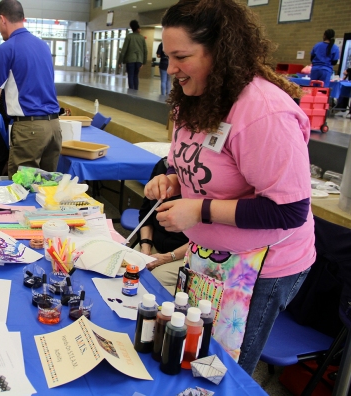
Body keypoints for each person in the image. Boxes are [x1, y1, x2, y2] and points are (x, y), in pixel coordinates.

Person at [145, 0, 313, 375]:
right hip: (209, 256)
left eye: (181, 57)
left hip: (259, 266)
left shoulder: (264, 112)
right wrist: (173, 181)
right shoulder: (195, 97)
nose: (170, 69)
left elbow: (288, 210)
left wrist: (199, 209)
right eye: (166, 56)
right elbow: (207, 167)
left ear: (219, 52)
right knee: (190, 351)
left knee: (221, 368)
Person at [0, 0, 62, 178]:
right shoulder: (43, 46)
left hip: (29, 130)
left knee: (21, 189)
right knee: (44, 190)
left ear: (2, 19)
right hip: (54, 127)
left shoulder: (6, 49)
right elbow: (29, 81)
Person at [136, 157, 189, 295]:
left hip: (186, 253)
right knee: (126, 266)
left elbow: (204, 239)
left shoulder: (205, 181)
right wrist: (145, 246)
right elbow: (146, 213)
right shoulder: (163, 166)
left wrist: (167, 257)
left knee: (151, 281)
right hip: (154, 241)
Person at [118, 20, 147, 90]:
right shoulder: (141, 38)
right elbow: (145, 50)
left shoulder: (129, 37)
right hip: (139, 60)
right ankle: (136, 91)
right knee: (135, 76)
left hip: (130, 60)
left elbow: (123, 50)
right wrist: (143, 62)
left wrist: (120, 61)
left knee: (130, 75)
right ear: (137, 28)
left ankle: (131, 91)